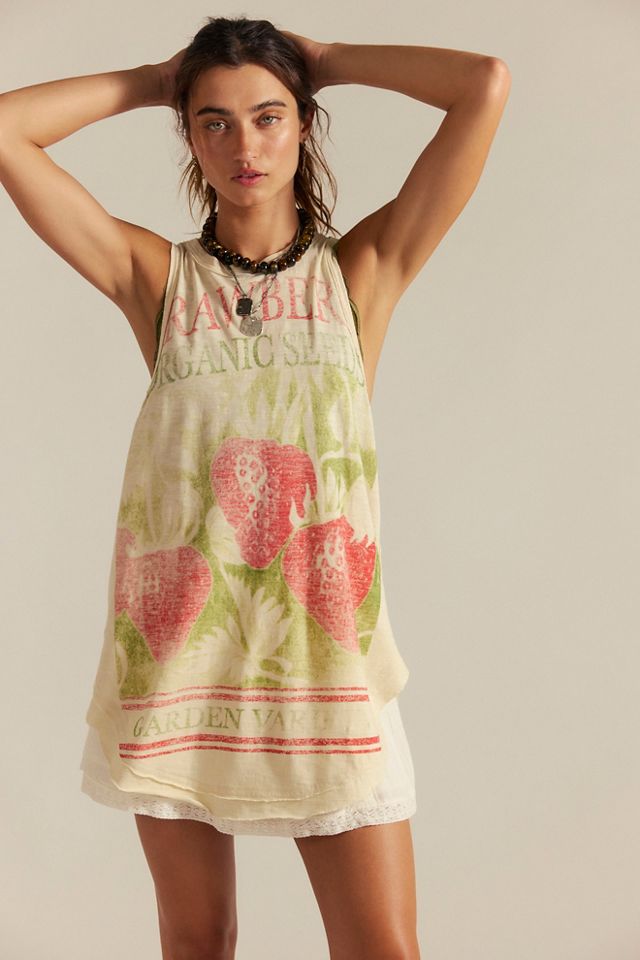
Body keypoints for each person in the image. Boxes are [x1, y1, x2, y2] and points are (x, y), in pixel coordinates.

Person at [0, 15, 510, 960]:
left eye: (270, 117)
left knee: (383, 948)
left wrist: (330, 62)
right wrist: (152, 80)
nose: (246, 145)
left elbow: (484, 84)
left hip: (328, 665)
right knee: (199, 942)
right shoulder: (158, 279)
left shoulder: (361, 274)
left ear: (304, 126)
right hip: (182, 662)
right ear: (190, 137)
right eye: (217, 121)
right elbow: (3, 130)